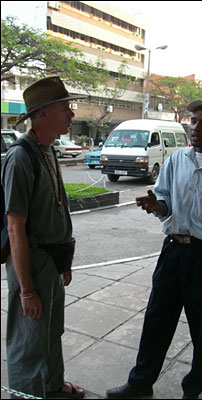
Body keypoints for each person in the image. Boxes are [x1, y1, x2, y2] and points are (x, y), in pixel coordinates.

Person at [106, 100, 202, 399]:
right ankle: (140, 383)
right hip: (172, 250)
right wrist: (154, 205)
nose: (195, 127)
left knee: (201, 326)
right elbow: (165, 204)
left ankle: (192, 388)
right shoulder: (176, 161)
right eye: (194, 121)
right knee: (156, 317)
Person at [1, 76, 86, 399]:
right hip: (32, 266)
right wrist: (26, 291)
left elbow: (55, 210)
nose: (71, 113)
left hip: (52, 262)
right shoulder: (20, 157)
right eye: (65, 107)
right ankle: (26, 395)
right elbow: (14, 229)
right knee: (28, 341)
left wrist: (64, 261)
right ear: (43, 113)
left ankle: (52, 386)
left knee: (51, 331)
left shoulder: (47, 150)